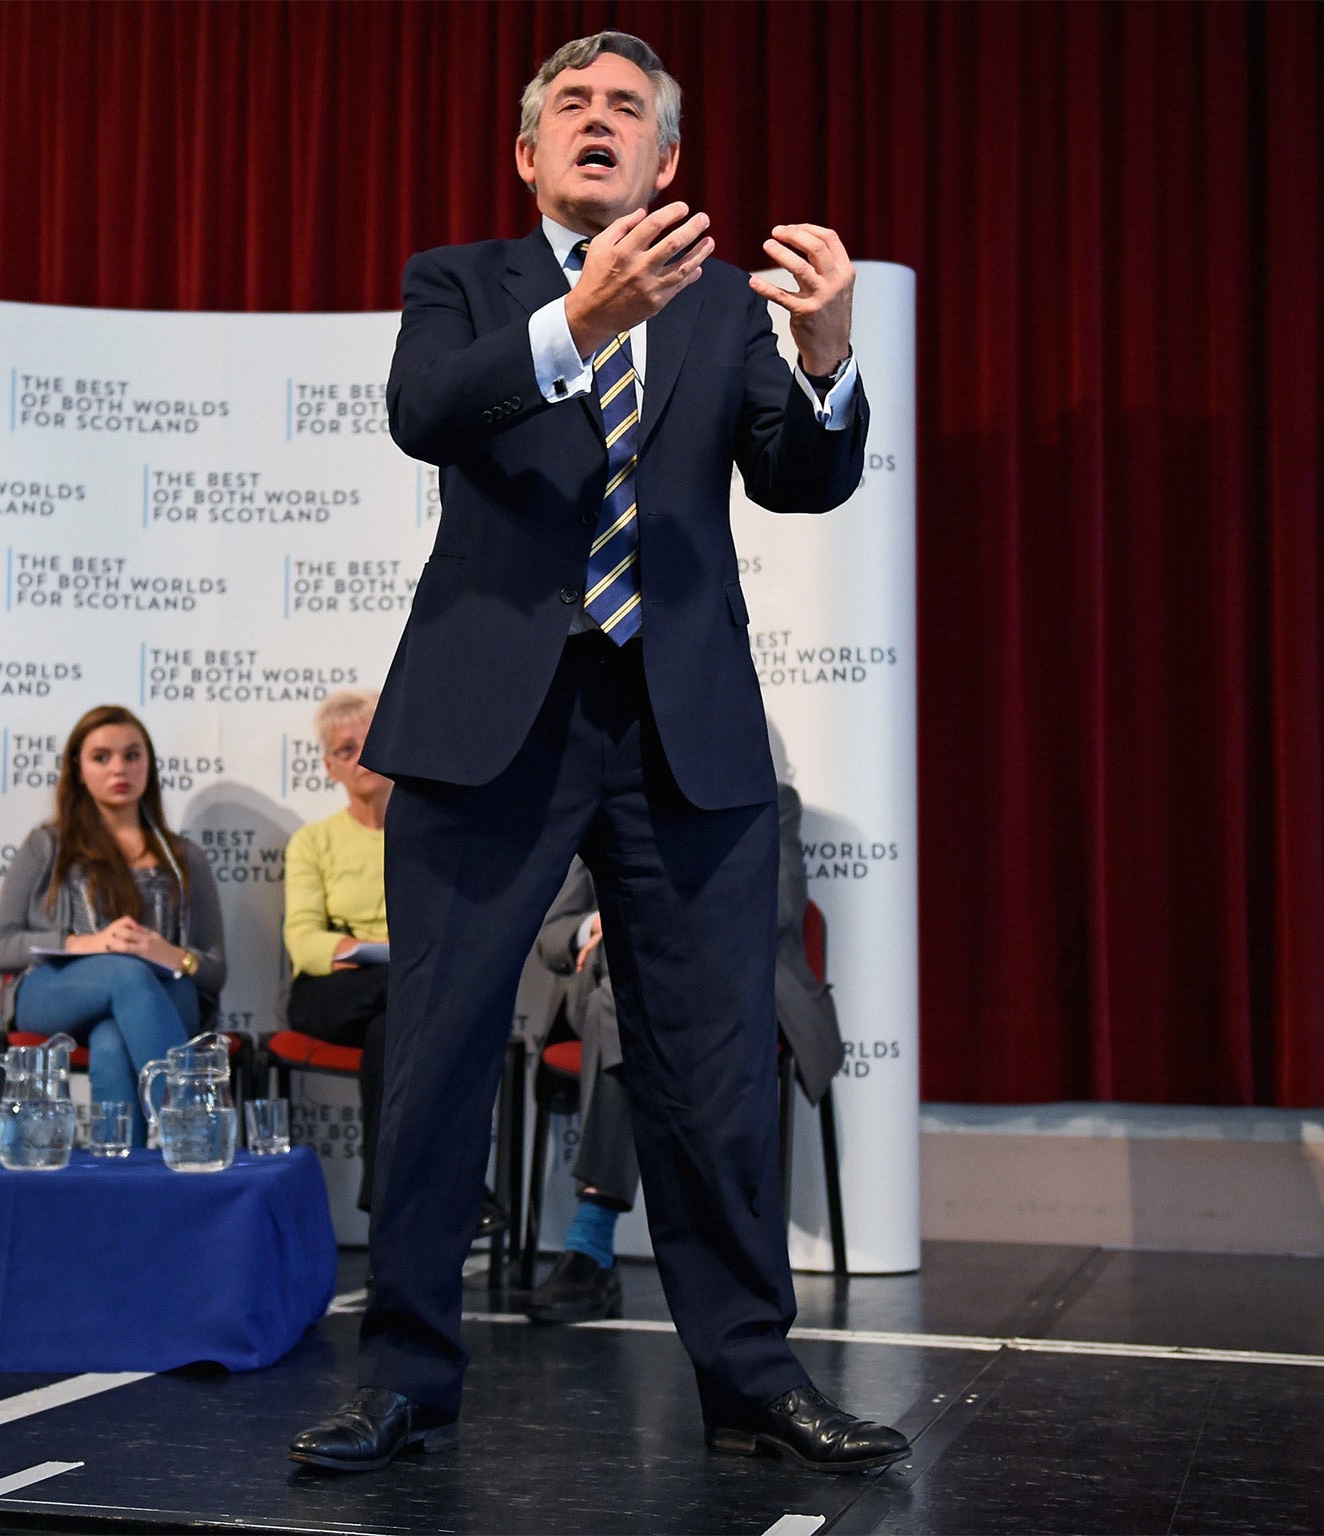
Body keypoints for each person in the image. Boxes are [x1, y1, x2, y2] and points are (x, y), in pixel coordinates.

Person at [290, 32, 908, 1475]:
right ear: (528, 154)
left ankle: (752, 1379)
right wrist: (577, 319)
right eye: (571, 103)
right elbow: (424, 414)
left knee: (708, 1072)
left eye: (628, 108)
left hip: (678, 730)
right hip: (489, 721)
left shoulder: (721, 313)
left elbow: (798, 477)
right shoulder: (461, 283)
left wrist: (823, 360)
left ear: (665, 161)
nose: (598, 119)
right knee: (439, 1059)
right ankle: (409, 1383)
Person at [523, 777, 845, 1323]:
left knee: (618, 1005)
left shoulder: (762, 795)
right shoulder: (598, 801)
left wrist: (653, 925)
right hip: (616, 980)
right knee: (616, 1000)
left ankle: (590, 1247)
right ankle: (631, 1244)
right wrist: (592, 927)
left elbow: (779, 907)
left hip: (724, 983)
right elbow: (553, 934)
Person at [0, 705, 225, 1140]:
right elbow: (1, 947)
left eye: (132, 755)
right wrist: (88, 943)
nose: (120, 768)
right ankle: (194, 1128)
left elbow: (214, 970)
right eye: (101, 757)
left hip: (166, 994)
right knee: (127, 972)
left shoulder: (185, 857)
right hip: (59, 991)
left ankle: (120, 1173)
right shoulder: (46, 845)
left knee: (112, 1041)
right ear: (78, 769)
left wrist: (170, 954)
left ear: (149, 765)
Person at [281, 690, 392, 1207]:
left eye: (370, 743)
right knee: (413, 1001)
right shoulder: (313, 842)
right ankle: (461, 1188)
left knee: (392, 1032)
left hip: (398, 1001)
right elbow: (304, 944)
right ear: (329, 766)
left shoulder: (433, 838)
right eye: (346, 750)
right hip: (331, 994)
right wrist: (367, 949)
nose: (361, 758)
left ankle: (385, 1205)